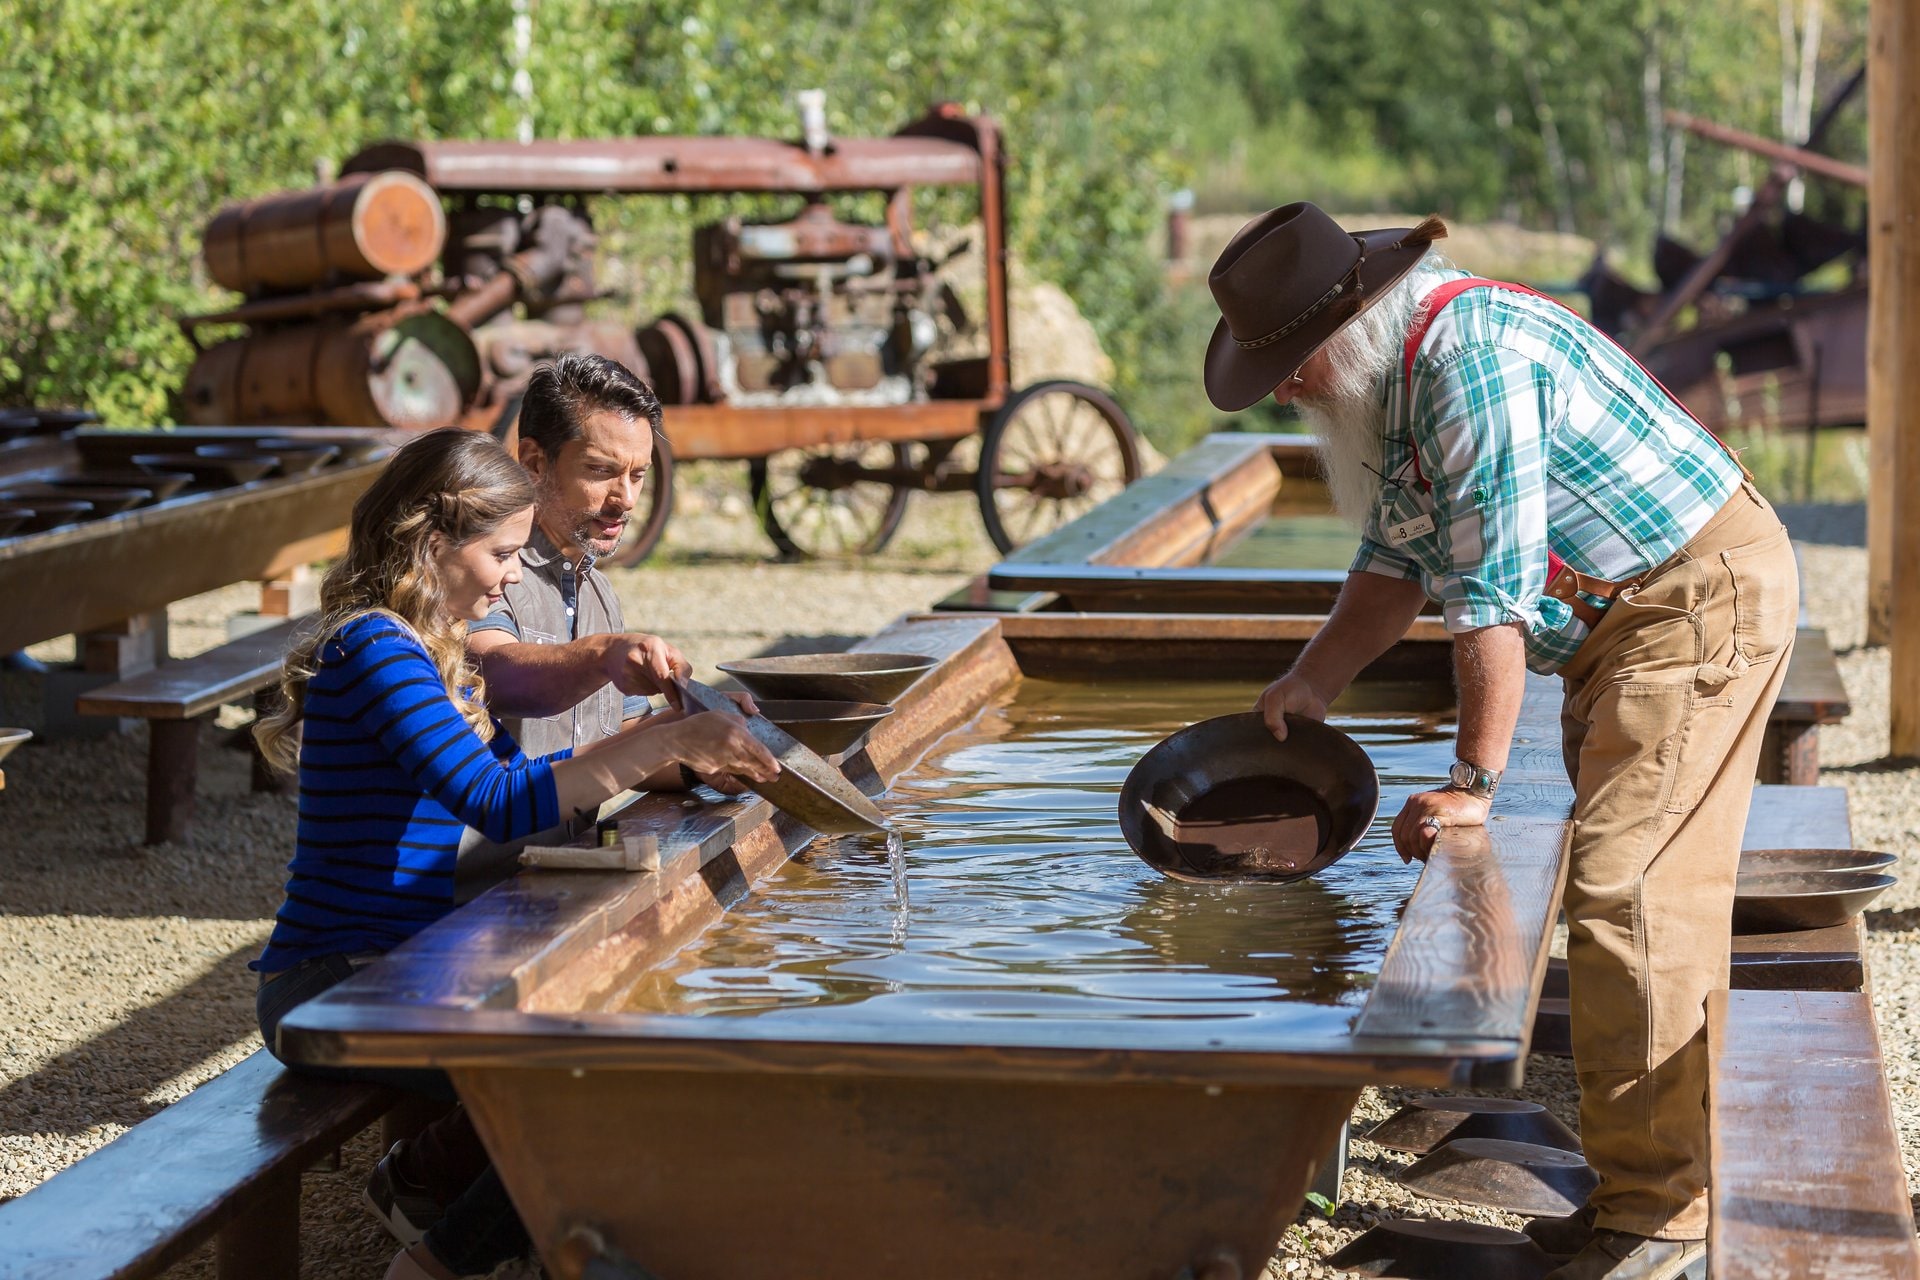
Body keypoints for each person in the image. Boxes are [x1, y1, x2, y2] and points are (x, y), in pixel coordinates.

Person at [1204, 203, 1796, 1280]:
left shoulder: (1468, 366)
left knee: (1633, 891)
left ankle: (1664, 1220)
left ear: (1352, 321)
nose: (1285, 388)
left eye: (1290, 362)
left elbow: (1490, 599)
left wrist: (1475, 781)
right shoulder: (1404, 381)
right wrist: (1312, 678)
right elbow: (1394, 565)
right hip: (1633, 618)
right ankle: (1647, 1192)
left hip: (1691, 603)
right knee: (1638, 890)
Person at [250, 428, 780, 1280]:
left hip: (398, 967)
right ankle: (440, 1264)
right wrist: (656, 746)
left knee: (620, 1039)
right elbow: (498, 807)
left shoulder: (430, 651)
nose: (508, 578)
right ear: (431, 545)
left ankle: (440, 1197)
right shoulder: (374, 652)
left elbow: (520, 778)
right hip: (329, 983)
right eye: (500, 553)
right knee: (575, 1082)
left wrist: (668, 740)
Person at [467, 353, 744, 769]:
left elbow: (618, 743)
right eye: (600, 471)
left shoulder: (597, 592)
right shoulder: (485, 569)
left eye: (637, 475)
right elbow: (494, 675)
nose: (626, 500)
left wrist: (710, 739)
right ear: (534, 463)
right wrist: (604, 656)